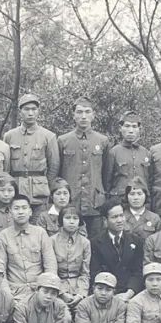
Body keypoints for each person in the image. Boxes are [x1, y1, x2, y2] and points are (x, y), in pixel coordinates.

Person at [57, 96, 111, 234]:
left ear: (93, 115)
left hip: (95, 204)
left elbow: (107, 174)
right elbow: (57, 173)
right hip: (71, 203)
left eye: (87, 112)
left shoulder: (103, 141)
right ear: (73, 115)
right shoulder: (63, 140)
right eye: (79, 112)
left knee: (96, 241)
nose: (83, 116)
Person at [5, 93, 59, 215]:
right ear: (20, 112)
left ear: (38, 111)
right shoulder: (9, 136)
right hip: (16, 191)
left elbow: (54, 166)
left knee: (39, 223)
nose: (30, 113)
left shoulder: (48, 136)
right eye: (26, 109)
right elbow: (6, 167)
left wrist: (44, 184)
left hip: (39, 193)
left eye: (34, 109)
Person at [0, 194, 57, 300]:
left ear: (30, 212)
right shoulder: (3, 236)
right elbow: (0, 269)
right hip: (14, 292)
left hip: (39, 291)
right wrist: (7, 294)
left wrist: (46, 289)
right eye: (16, 208)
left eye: (24, 208)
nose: (20, 212)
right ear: (10, 213)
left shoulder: (40, 233)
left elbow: (50, 265)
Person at [90, 201, 145, 298]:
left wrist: (129, 293)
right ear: (105, 220)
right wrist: (110, 293)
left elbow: (138, 272)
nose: (120, 220)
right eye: (114, 217)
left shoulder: (136, 241)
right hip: (105, 294)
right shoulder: (95, 243)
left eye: (121, 215)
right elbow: (95, 272)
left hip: (131, 294)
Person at [104, 110, 149, 208]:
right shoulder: (113, 152)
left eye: (134, 126)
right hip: (119, 203)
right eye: (127, 126)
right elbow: (107, 183)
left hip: (141, 204)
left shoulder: (145, 153)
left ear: (139, 129)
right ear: (120, 128)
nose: (131, 130)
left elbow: (149, 181)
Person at [50, 205, 90, 309]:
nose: (71, 222)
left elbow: (85, 273)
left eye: (75, 218)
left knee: (83, 309)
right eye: (67, 218)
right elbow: (50, 271)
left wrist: (80, 295)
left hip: (78, 288)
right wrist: (61, 293)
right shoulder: (52, 241)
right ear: (61, 220)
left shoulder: (85, 243)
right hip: (56, 288)